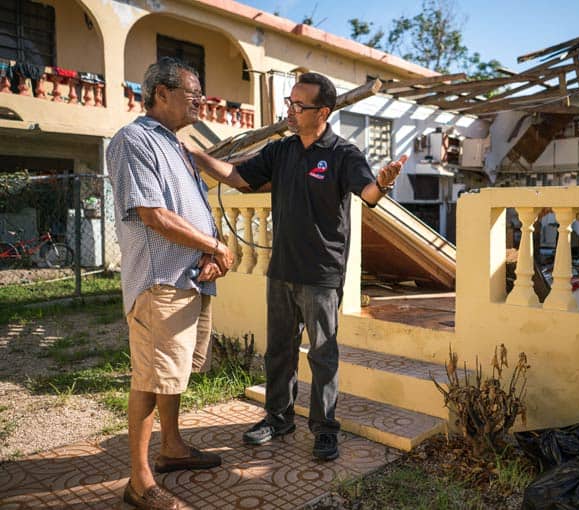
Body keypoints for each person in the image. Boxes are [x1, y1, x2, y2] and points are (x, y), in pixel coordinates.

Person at [190, 72, 405, 462]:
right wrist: (197, 157)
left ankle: (325, 429)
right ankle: (278, 418)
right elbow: (239, 178)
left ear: (323, 112)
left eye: (298, 105)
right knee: (279, 352)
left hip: (322, 274)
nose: (289, 110)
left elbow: (369, 194)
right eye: (289, 102)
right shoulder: (282, 152)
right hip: (281, 270)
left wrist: (385, 182)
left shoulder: (344, 154)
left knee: (322, 354)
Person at [107, 57, 234, 510]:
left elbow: (183, 208)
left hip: (189, 279)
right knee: (149, 375)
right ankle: (139, 482)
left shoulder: (177, 146)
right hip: (159, 280)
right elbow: (153, 214)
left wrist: (208, 252)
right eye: (192, 93)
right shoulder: (133, 140)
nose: (201, 100)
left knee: (172, 373)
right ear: (160, 94)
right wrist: (216, 247)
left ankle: (173, 448)